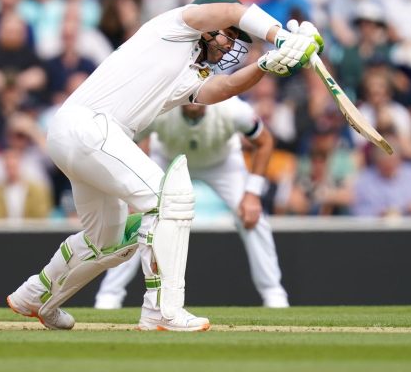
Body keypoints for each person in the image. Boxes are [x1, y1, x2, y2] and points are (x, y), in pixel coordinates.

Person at [6, 0, 322, 332]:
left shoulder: (192, 73)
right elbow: (233, 9)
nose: (231, 47)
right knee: (169, 199)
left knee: (108, 241)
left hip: (79, 134)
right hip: (91, 127)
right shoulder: (178, 24)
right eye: (228, 35)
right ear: (209, 25)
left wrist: (264, 65)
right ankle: (162, 310)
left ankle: (35, 294)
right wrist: (282, 35)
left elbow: (224, 88)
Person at [94, 98, 289, 310]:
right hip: (168, 160)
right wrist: (130, 188)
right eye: (190, 93)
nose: (194, 98)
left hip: (223, 164)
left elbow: (265, 141)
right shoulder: (158, 108)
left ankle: (274, 295)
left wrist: (252, 193)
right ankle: (109, 296)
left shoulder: (234, 110)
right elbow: (124, 141)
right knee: (140, 220)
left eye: (200, 93)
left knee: (253, 218)